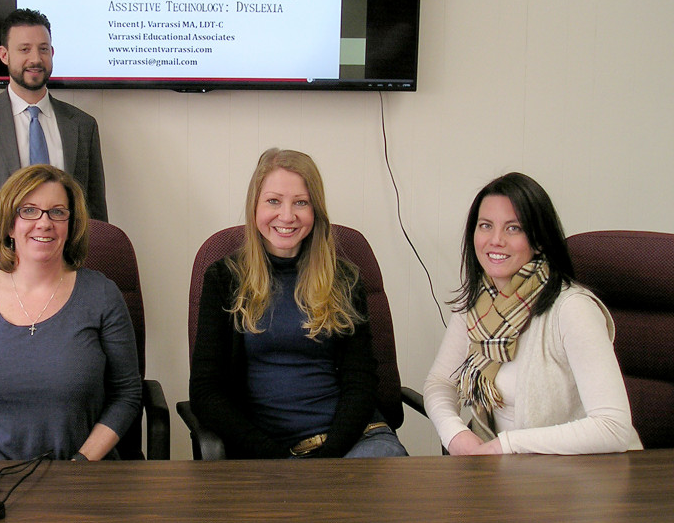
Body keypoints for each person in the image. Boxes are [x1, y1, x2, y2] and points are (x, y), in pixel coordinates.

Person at [189, 148, 407, 459]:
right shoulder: (225, 279)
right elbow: (205, 393)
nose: (287, 216)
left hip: (356, 443)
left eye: (301, 202)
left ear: (315, 210)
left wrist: (328, 458)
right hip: (269, 453)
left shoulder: (344, 279)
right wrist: (280, 461)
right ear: (254, 207)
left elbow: (361, 382)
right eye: (274, 201)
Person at [423, 172, 641, 455]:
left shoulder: (572, 309)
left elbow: (614, 427)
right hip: (506, 475)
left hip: (578, 478)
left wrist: (507, 445)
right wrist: (455, 434)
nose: (495, 240)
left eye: (513, 228)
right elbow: (440, 383)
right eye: (486, 225)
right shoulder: (477, 305)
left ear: (539, 240)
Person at [0, 165, 141, 461]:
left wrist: (81, 464)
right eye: (29, 211)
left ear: (70, 225)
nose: (44, 223)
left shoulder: (102, 294)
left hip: (83, 475)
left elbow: (126, 394)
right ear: (9, 224)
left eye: (57, 212)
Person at [0, 8, 108, 294]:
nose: (35, 59)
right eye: (24, 49)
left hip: (66, 282)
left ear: (52, 52)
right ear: (4, 55)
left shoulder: (82, 125)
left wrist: (97, 285)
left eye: (43, 49)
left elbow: (96, 216)